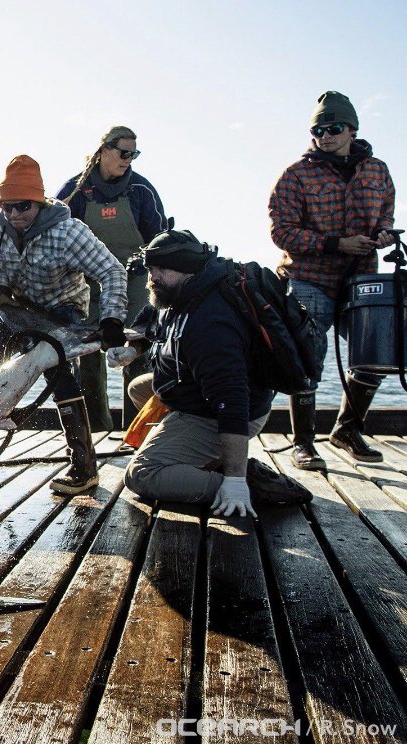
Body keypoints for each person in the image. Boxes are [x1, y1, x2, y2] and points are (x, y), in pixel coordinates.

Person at [0, 154, 128, 494]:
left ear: (38, 202)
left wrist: (112, 318)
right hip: (20, 306)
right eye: (6, 206)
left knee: (57, 373)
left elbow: (112, 271)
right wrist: (0, 287)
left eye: (22, 206)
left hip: (63, 307)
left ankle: (83, 468)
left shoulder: (69, 233)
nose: (13, 215)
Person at [116, 230, 310, 516]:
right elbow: (151, 321)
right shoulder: (178, 291)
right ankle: (206, 457)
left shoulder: (209, 324)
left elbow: (232, 403)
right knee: (139, 388)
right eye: (150, 269)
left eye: (162, 269)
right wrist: (132, 350)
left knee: (142, 474)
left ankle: (245, 484)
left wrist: (234, 482)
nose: (153, 277)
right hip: (193, 391)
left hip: (228, 411)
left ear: (187, 269)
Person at [270, 91, 397, 470]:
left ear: (352, 129)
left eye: (333, 128)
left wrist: (385, 234)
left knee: (377, 353)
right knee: (309, 359)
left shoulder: (378, 170)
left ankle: (347, 430)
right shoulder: (295, 175)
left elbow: (385, 214)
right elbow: (282, 233)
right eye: (318, 129)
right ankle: (304, 443)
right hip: (309, 277)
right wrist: (336, 243)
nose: (325, 135)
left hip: (362, 279)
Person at [58, 126, 168, 432]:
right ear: (104, 150)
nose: (128, 159)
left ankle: (138, 430)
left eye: (134, 153)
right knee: (89, 357)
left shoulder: (141, 190)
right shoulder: (75, 190)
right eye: (123, 152)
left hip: (135, 280)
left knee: (134, 352)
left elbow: (159, 238)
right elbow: (56, 236)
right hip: (87, 282)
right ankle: (97, 429)